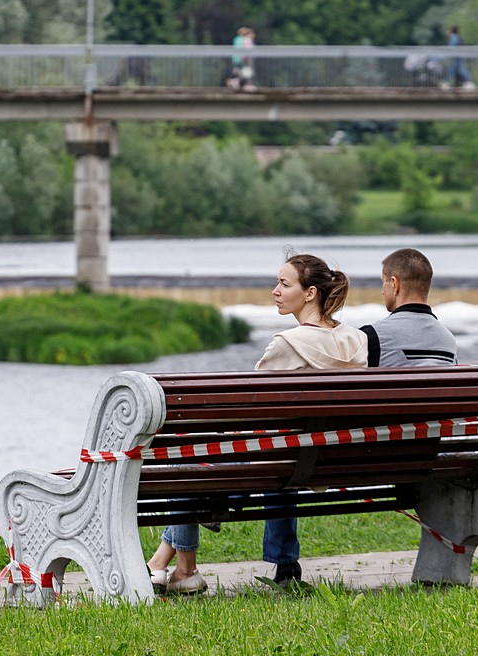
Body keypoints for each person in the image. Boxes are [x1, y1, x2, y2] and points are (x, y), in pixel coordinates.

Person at [145, 252, 369, 594]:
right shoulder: (357, 341)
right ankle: (280, 565)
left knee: (185, 460)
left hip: (279, 461)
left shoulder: (288, 345)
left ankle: (180, 568)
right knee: (289, 452)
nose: (275, 290)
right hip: (328, 460)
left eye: (284, 283)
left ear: (310, 293)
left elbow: (248, 413)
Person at [360, 248, 456, 367]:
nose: (383, 292)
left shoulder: (371, 336)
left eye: (384, 282)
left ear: (395, 284)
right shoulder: (448, 340)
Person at [228, 26, 255, 91]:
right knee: (246, 73)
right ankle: (247, 85)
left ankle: (234, 82)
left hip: (235, 59)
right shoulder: (245, 40)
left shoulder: (236, 39)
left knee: (238, 73)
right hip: (244, 59)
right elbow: (247, 49)